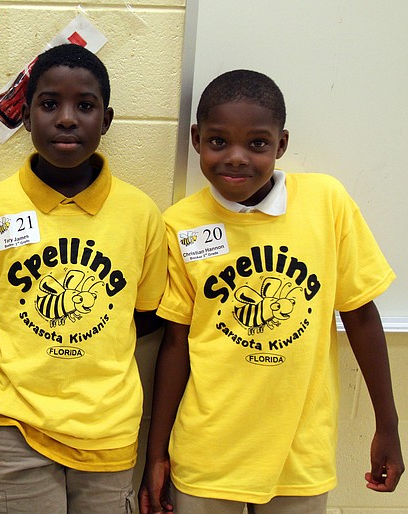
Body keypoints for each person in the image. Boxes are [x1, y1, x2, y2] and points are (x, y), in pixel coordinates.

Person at [139, 69, 404, 514]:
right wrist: (157, 452)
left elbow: (360, 315)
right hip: (207, 455)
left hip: (299, 456)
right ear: (196, 138)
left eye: (257, 144)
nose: (237, 158)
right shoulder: (181, 224)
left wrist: (389, 425)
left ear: (281, 145)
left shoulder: (327, 203)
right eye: (219, 142)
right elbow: (176, 342)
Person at [0, 43, 168, 513]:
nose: (67, 119)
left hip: (107, 433)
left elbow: (147, 317)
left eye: (86, 106)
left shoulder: (140, 215)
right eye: (50, 103)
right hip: (11, 427)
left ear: (108, 119)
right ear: (26, 115)